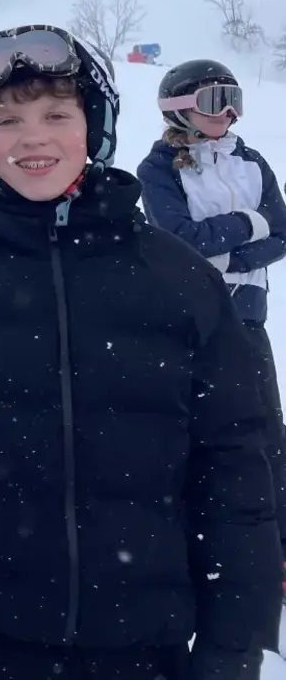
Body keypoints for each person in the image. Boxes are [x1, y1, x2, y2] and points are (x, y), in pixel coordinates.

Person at [0, 24, 281, 680]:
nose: (34, 137)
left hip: (147, 632)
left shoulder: (179, 279)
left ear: (96, 125)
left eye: (57, 114)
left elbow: (233, 465)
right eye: (8, 119)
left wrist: (236, 634)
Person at [138, 59, 286, 564]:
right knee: (197, 432)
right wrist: (249, 223)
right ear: (178, 109)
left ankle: (276, 547)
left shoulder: (252, 162)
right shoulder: (159, 169)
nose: (226, 112)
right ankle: (192, 542)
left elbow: (281, 231)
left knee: (264, 431)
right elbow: (182, 240)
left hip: (247, 315)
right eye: (213, 101)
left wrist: (229, 259)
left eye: (233, 99)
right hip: (188, 319)